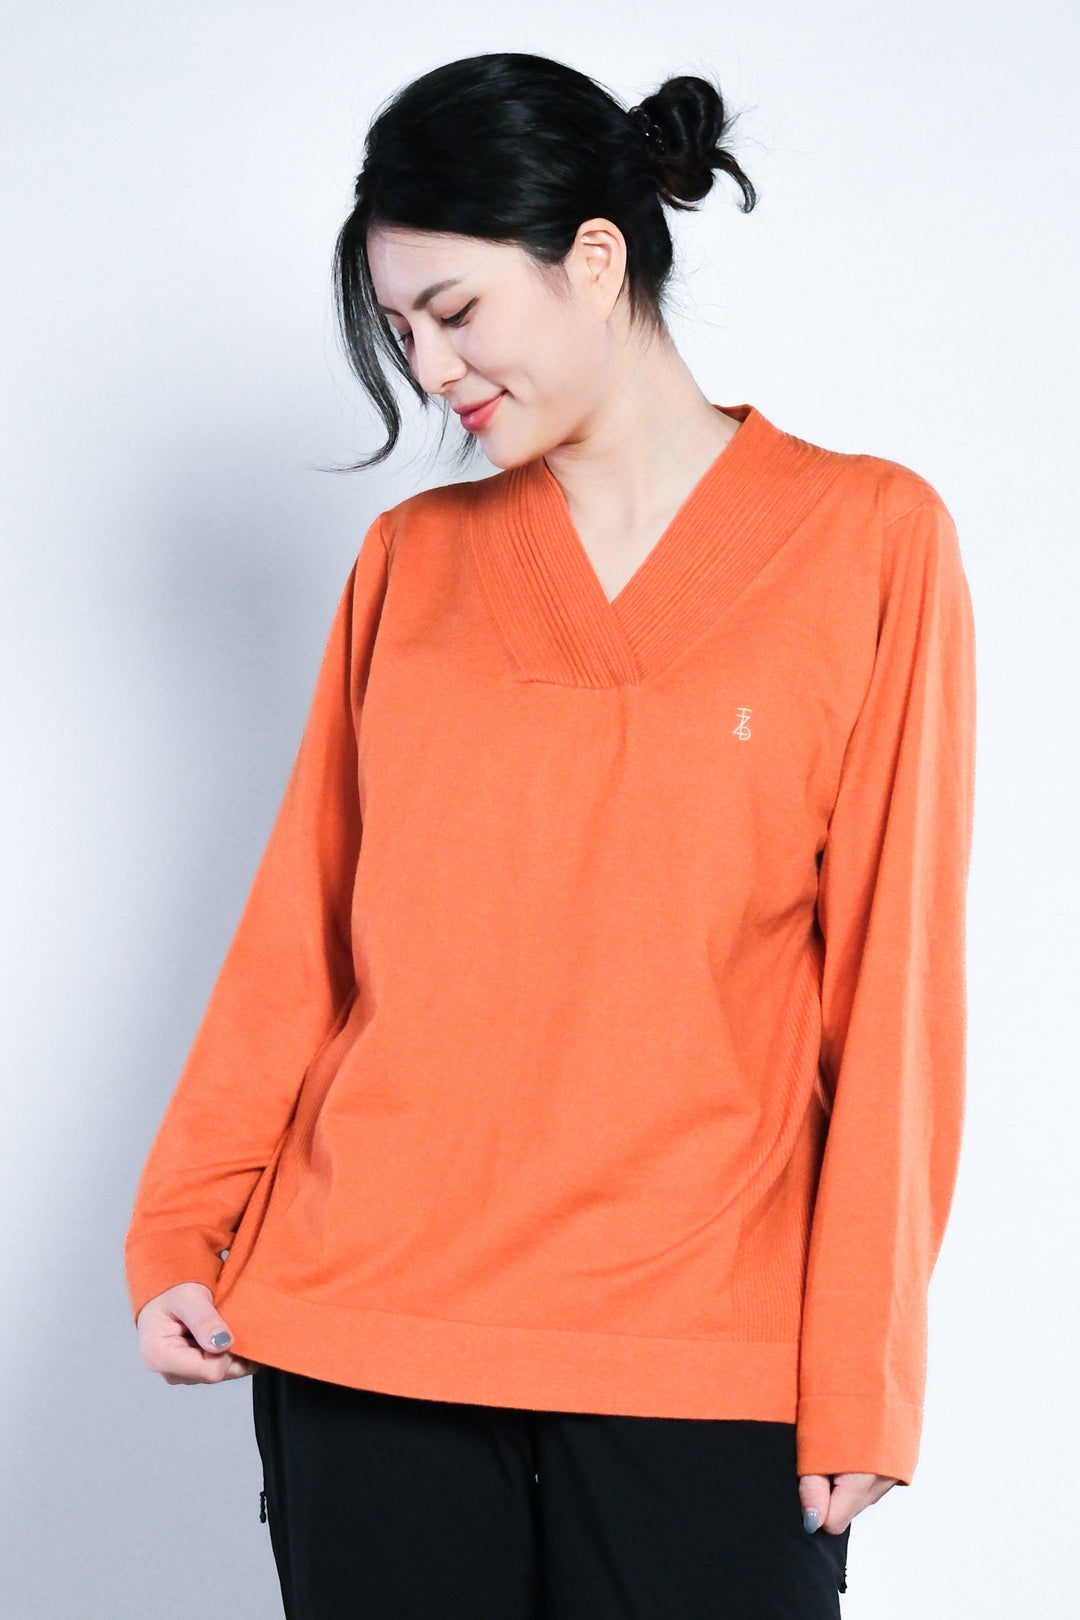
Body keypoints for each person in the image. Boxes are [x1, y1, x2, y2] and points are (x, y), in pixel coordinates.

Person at [125, 50, 977, 1620]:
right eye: (401, 331)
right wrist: (185, 1219)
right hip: (365, 1333)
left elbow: (895, 989)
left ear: (593, 260)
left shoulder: (869, 541)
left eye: (455, 312)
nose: (430, 368)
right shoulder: (411, 561)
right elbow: (304, 931)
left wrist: (866, 1365)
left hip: (702, 1349)